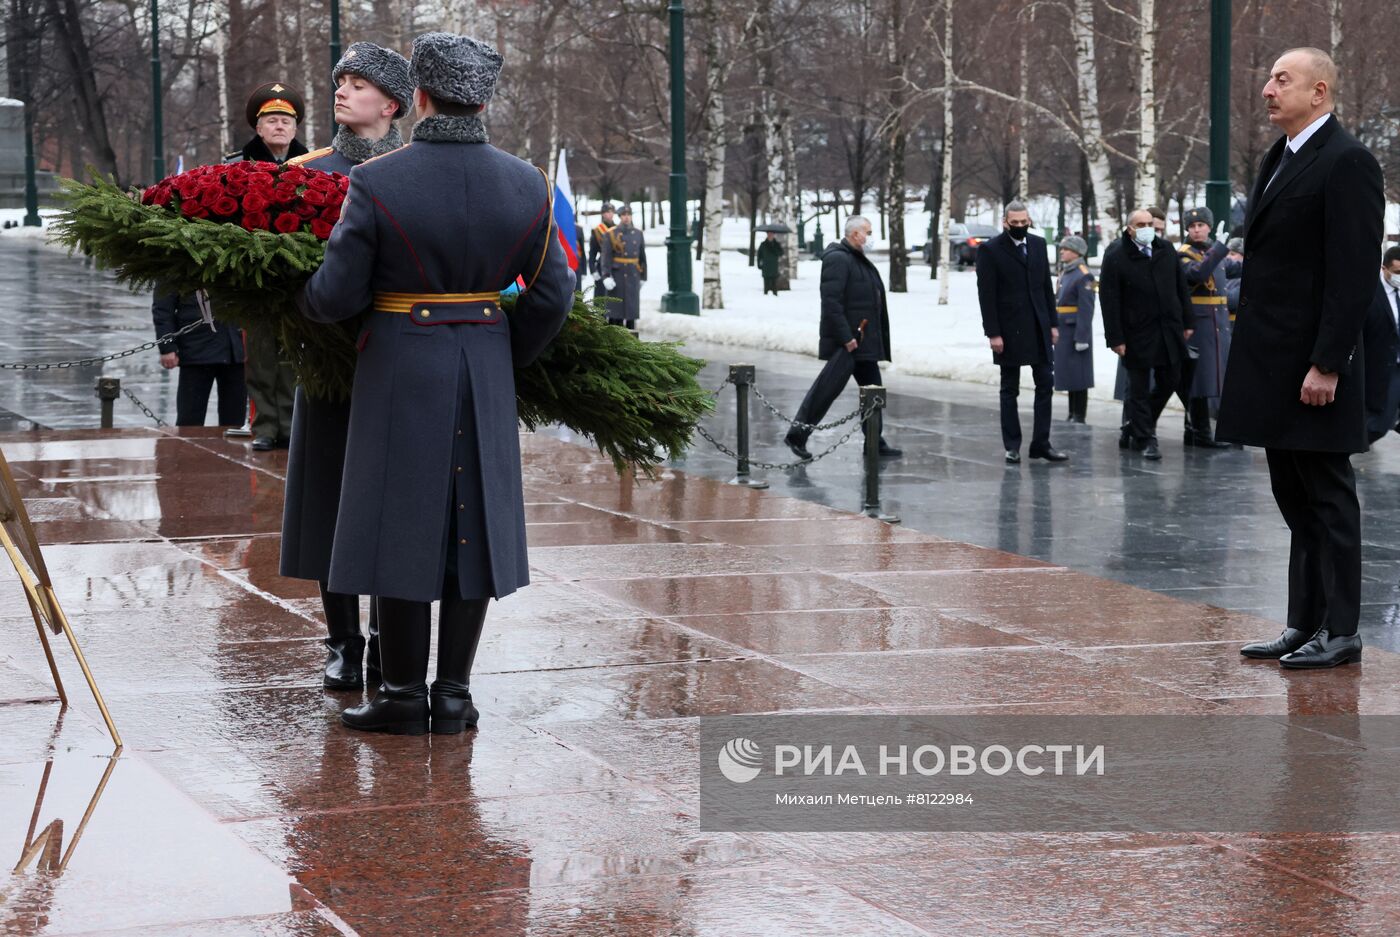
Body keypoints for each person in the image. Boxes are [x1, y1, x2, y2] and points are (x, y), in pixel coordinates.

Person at [297, 31, 573, 734]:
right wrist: (500, 355)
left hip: (399, 359)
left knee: (399, 523)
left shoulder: (379, 180)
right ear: (481, 99)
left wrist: (300, 301)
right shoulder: (528, 183)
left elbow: (336, 293)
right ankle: (453, 694)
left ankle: (398, 693)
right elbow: (550, 297)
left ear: (418, 97)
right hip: (483, 359)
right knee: (470, 524)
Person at [1220, 48, 1384, 669]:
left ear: (1319, 93)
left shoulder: (1348, 162)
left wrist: (1329, 362)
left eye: (1281, 80)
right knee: (1294, 497)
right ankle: (1303, 623)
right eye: (1267, 77)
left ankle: (1341, 631)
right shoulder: (1279, 156)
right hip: (1273, 363)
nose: (1267, 89)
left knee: (1328, 498)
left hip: (1315, 368)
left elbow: (1353, 274)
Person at [279, 41, 413, 692]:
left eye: (358, 85)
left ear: (391, 104)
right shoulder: (306, 170)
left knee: (392, 502)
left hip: (395, 357)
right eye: (340, 82)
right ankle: (342, 639)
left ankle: (390, 634)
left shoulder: (415, 171)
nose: (341, 92)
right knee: (327, 500)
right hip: (326, 360)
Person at [228, 82, 307, 450]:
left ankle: (291, 424)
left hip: (298, 275)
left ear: (295, 129)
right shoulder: (235, 166)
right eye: (271, 120)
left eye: (285, 121)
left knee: (293, 352)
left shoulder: (313, 165)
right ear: (258, 129)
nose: (279, 127)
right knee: (259, 352)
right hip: (254, 276)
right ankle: (264, 426)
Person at [784, 216, 901, 461]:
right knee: (826, 390)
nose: (870, 237)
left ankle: (874, 441)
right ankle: (797, 435)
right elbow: (831, 303)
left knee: (873, 392)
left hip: (863, 340)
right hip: (849, 342)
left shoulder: (855, 258)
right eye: (868, 232)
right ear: (855, 234)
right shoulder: (838, 259)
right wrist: (846, 337)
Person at [976, 201, 1067, 464]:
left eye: (1023, 222)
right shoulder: (990, 250)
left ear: (1029, 220)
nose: (1019, 227)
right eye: (1013, 223)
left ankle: (1041, 443)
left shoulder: (1038, 245)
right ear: (1005, 222)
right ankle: (1012, 445)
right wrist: (993, 333)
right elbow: (987, 296)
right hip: (1009, 329)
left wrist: (1052, 323)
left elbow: (1045, 288)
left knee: (1045, 384)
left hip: (1038, 326)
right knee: (1009, 388)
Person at [1100, 208, 1192, 461]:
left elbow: (1180, 286)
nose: (1147, 228)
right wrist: (1115, 338)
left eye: (1150, 223)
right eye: (1140, 224)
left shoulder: (1165, 249)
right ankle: (1145, 438)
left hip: (1168, 329)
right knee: (1138, 388)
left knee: (1171, 379)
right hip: (1135, 332)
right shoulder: (1117, 254)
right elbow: (1109, 299)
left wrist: (1187, 319)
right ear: (1130, 228)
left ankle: (1135, 425)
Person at [1176, 207, 1233, 448]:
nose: (1197, 230)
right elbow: (1198, 274)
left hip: (1217, 323)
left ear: (1208, 227)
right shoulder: (1184, 254)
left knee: (1218, 378)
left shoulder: (1211, 251)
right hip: (1198, 324)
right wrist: (1219, 248)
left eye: (1201, 225)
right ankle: (1199, 433)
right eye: (1192, 226)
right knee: (1199, 379)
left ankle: (1205, 431)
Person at [151, 291, 246, 426]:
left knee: (235, 420)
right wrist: (167, 347)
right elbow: (163, 307)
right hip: (197, 348)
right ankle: (186, 447)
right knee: (190, 419)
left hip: (234, 349)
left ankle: (231, 447)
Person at [1052, 235, 1095, 423]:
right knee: (1069, 373)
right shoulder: (1067, 272)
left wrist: (1082, 337)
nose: (1062, 252)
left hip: (1076, 330)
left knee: (1079, 374)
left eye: (1066, 249)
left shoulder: (1085, 274)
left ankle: (1079, 414)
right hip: (1064, 330)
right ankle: (1071, 412)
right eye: (1061, 248)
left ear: (1077, 252)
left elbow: (1087, 308)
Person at [1361, 247, 1400, 444]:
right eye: (1397, 273)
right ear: (1384, 268)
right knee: (1378, 425)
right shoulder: (1370, 293)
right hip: (1381, 368)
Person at [599, 204, 646, 329]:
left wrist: (643, 276)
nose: (626, 218)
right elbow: (606, 257)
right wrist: (606, 276)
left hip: (633, 275)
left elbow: (642, 257)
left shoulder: (638, 233)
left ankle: (632, 343)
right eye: (624, 215)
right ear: (619, 217)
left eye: (629, 215)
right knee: (615, 313)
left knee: (631, 313)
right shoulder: (611, 234)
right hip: (617, 276)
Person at [588, 202, 617, 300]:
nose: (610, 214)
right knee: (601, 297)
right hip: (602, 266)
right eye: (607, 212)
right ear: (603, 214)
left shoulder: (617, 229)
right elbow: (592, 253)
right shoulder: (597, 231)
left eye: (612, 212)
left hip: (617, 265)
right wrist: (593, 270)